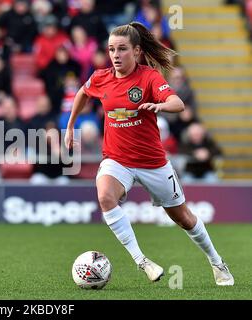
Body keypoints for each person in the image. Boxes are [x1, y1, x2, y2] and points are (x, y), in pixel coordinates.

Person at [64, 22, 234, 286]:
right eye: (111, 49)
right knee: (105, 197)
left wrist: (160, 105)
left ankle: (217, 262)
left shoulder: (149, 77)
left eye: (122, 49)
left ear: (137, 50)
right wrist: (71, 125)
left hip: (153, 164)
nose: (116, 55)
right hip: (117, 160)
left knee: (184, 218)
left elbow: (178, 103)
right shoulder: (101, 77)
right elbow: (83, 93)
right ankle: (142, 261)